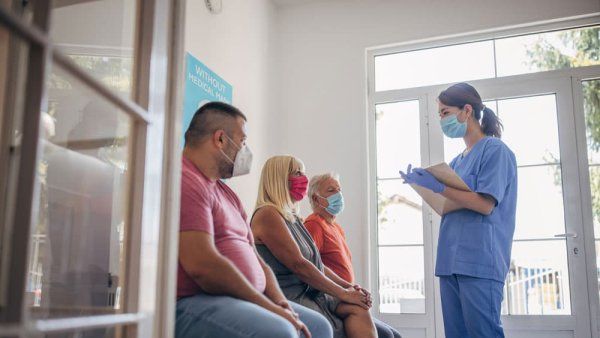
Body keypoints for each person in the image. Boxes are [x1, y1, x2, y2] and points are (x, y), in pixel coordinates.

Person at [176, 102, 332, 338]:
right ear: (220, 139)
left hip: (241, 299)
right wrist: (266, 305)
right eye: (242, 141)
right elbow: (203, 267)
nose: (245, 150)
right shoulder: (185, 180)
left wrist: (281, 303)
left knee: (320, 327)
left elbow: (258, 262)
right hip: (193, 301)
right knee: (279, 331)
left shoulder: (227, 194)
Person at [400, 83, 517, 338]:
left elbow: (485, 205)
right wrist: (424, 185)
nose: (441, 120)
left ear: (466, 110)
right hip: (450, 261)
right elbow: (450, 206)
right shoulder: (457, 160)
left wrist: (439, 186)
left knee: (483, 333)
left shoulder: (495, 151)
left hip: (480, 261)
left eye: (445, 113)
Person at [251, 155, 377, 338]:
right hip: (291, 295)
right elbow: (299, 265)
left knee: (359, 308)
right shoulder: (267, 215)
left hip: (311, 293)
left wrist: (350, 288)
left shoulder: (292, 217)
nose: (304, 179)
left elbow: (316, 263)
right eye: (297, 173)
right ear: (279, 178)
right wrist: (343, 293)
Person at [305, 173, 402, 338]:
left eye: (339, 190)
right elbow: (312, 264)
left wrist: (354, 289)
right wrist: (346, 291)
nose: (338, 194)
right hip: (330, 295)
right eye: (331, 190)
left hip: (344, 292)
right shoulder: (314, 224)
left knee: (393, 335)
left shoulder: (336, 228)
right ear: (316, 199)